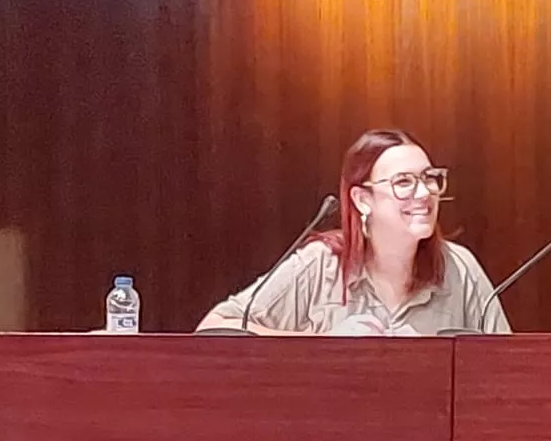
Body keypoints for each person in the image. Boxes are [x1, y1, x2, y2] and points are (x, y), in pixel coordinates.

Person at [196, 129, 511, 335]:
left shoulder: (460, 268)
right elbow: (214, 329)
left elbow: (506, 366)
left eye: (429, 178)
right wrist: (324, 344)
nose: (424, 193)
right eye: (403, 182)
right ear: (362, 199)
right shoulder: (319, 265)